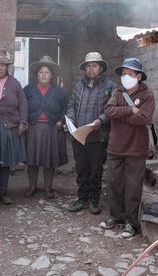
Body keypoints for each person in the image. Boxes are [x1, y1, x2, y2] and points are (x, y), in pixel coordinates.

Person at [100, 58, 155, 238]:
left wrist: (120, 114)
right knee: (113, 183)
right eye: (123, 74)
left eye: (129, 74)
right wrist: (130, 111)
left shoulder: (147, 95)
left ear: (138, 76)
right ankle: (116, 218)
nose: (125, 77)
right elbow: (109, 111)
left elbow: (145, 118)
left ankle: (131, 223)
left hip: (136, 148)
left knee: (133, 187)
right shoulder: (118, 91)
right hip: (115, 146)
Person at [66, 52, 117, 215]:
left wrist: (101, 121)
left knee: (96, 170)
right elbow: (71, 105)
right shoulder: (79, 86)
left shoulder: (110, 87)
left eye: (94, 65)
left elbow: (111, 110)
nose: (91, 69)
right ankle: (82, 198)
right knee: (81, 169)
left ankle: (94, 200)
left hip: (98, 136)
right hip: (79, 136)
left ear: (101, 68)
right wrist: (71, 119)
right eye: (88, 66)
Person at [0, 49, 28, 205]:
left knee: (4, 162)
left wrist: (23, 121)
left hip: (8, 127)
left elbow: (23, 103)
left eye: (3, 65)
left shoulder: (14, 83)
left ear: (7, 67)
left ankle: (3, 191)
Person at [23, 56, 68, 199]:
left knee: (49, 160)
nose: (43, 75)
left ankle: (48, 188)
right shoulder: (28, 90)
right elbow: (22, 108)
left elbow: (66, 110)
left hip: (52, 129)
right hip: (33, 129)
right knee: (32, 160)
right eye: (41, 72)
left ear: (51, 75)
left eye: (46, 72)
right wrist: (24, 122)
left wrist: (61, 122)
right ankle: (32, 187)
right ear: (36, 74)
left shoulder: (59, 92)